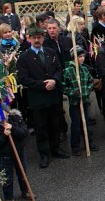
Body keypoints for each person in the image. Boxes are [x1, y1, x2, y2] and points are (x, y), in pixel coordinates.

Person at [16, 24, 70, 169]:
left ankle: (56, 148)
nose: (36, 40)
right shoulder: (24, 58)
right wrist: (42, 85)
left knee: (55, 124)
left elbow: (59, 69)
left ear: (43, 37)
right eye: (33, 37)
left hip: (53, 95)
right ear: (28, 39)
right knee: (41, 127)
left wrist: (55, 81)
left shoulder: (50, 52)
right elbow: (23, 79)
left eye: (39, 37)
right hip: (38, 98)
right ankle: (44, 154)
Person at [0, 108, 30, 201]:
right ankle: (9, 198)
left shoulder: (16, 120)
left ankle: (26, 191)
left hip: (19, 153)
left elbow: (24, 133)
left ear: (7, 113)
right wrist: (3, 135)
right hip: (5, 155)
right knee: (7, 178)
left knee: (22, 173)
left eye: (0, 113)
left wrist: (13, 128)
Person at [62, 45, 99, 156]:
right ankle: (75, 146)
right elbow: (63, 86)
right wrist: (73, 92)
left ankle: (89, 142)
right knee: (76, 124)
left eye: (83, 56)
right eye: (79, 56)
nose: (82, 59)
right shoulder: (68, 70)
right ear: (74, 57)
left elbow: (90, 82)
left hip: (85, 101)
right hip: (75, 103)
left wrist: (87, 90)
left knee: (86, 123)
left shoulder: (84, 69)